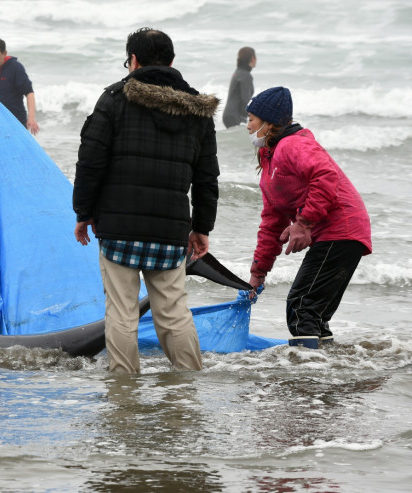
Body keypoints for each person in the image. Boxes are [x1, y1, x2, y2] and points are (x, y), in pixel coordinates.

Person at [72, 28, 220, 374]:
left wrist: (83, 212)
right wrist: (201, 227)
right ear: (171, 62)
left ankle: (124, 388)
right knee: (173, 312)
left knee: (121, 312)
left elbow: (90, 161)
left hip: (118, 228)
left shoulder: (114, 99)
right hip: (170, 230)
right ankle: (188, 383)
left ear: (133, 61)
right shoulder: (198, 110)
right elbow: (207, 177)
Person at [245, 86, 372, 349]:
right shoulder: (269, 158)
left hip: (341, 230)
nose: (247, 126)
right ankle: (325, 374)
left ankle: (307, 379)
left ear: (269, 122)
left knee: (301, 306)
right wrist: (258, 271)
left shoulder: (293, 144)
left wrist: (303, 223)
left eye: (251, 119)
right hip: (339, 234)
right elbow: (272, 221)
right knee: (314, 314)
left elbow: (326, 176)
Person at [0, 37, 39, 135]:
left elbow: (29, 92)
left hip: (15, 123)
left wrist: (31, 118)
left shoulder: (15, 68)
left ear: (4, 53)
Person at [222, 47, 256, 128]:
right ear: (252, 58)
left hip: (229, 114)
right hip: (235, 116)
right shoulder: (245, 75)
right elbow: (245, 99)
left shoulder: (238, 72)